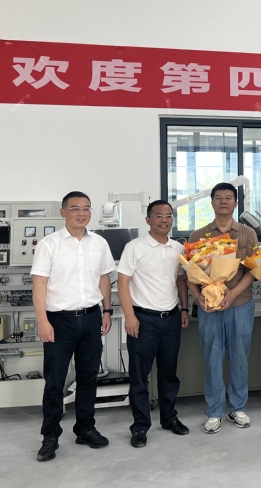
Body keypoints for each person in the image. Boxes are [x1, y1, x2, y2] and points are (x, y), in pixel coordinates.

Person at [31, 191, 115, 462]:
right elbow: (39, 284)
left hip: (91, 318)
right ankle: (50, 436)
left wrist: (107, 310)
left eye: (86, 208)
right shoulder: (49, 244)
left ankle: (85, 428)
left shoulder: (99, 243)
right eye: (75, 208)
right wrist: (42, 320)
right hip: (59, 321)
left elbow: (104, 278)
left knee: (88, 377)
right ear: (63, 212)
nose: (82, 213)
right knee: (55, 381)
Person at [116, 200, 191, 448]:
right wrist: (129, 316)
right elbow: (122, 282)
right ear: (148, 220)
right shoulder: (134, 247)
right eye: (158, 215)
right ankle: (140, 426)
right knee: (140, 376)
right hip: (143, 320)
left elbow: (180, 281)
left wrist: (184, 308)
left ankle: (169, 418)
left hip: (170, 319)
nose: (164, 220)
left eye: (168, 215)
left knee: (169, 373)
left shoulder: (178, 248)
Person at [186, 182, 258, 434]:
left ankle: (238, 407)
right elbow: (189, 273)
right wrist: (198, 297)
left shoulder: (248, 234)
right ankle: (215, 410)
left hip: (240, 304)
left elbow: (255, 269)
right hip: (210, 308)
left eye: (229, 197)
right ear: (212, 202)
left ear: (236, 203)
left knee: (240, 357)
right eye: (219, 198)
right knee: (212, 357)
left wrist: (234, 293)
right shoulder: (198, 236)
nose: (224, 201)